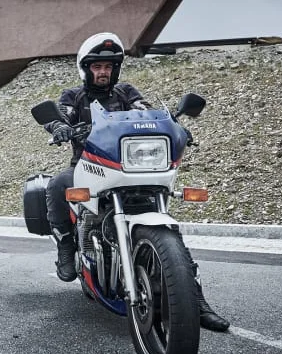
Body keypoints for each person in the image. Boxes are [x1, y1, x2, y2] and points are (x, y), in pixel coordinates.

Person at [42, 32, 229, 332]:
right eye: (97, 67)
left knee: (169, 226)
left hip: (129, 167)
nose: (103, 72)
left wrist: (174, 128)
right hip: (88, 166)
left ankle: (195, 301)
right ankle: (66, 246)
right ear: (86, 69)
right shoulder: (73, 96)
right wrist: (59, 128)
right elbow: (59, 116)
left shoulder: (126, 93)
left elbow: (145, 111)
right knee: (56, 185)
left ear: (115, 69)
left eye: (108, 66)